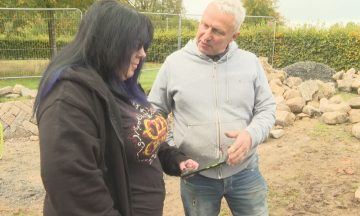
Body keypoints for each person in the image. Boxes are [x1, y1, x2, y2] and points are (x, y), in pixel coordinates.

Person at [33, 0, 198, 215]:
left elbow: (137, 140)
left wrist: (175, 159)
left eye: (144, 46)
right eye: (136, 46)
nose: (143, 54)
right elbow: (74, 188)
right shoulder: (69, 98)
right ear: (110, 44)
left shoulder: (121, 85)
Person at [148, 0, 276, 215]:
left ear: (234, 36)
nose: (206, 35)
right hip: (196, 177)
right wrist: (173, 151)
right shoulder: (174, 64)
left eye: (217, 31)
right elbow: (154, 113)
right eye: (204, 25)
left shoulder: (249, 63)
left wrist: (250, 136)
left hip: (246, 172)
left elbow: (267, 108)